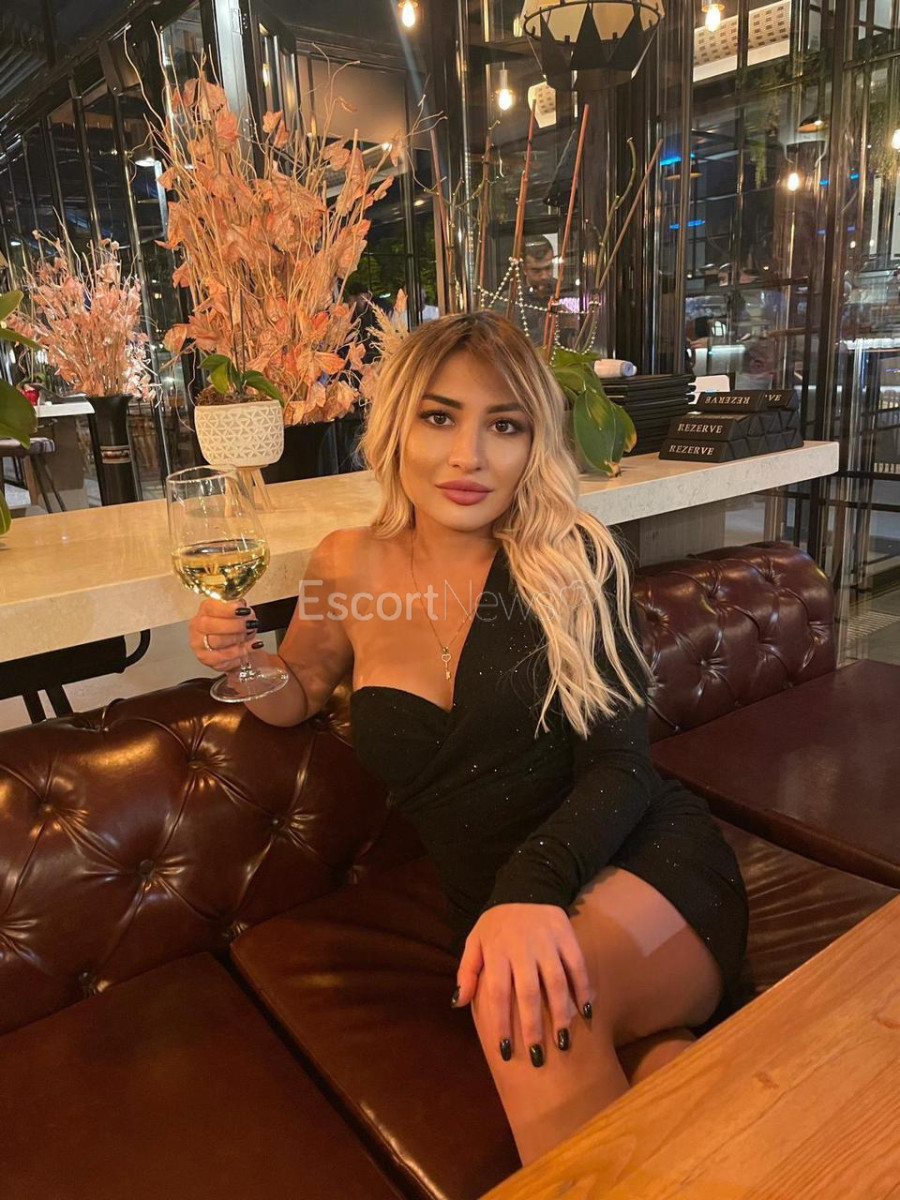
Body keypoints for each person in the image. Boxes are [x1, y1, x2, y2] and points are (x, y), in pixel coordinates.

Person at [186, 310, 749, 1168]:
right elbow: (297, 692)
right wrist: (243, 662)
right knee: (665, 1092)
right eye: (440, 417)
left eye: (505, 426)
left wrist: (526, 892)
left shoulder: (575, 559)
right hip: (495, 906)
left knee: (537, 1006)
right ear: (396, 426)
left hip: (641, 862)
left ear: (534, 445)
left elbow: (622, 766)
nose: (468, 456)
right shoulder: (344, 564)